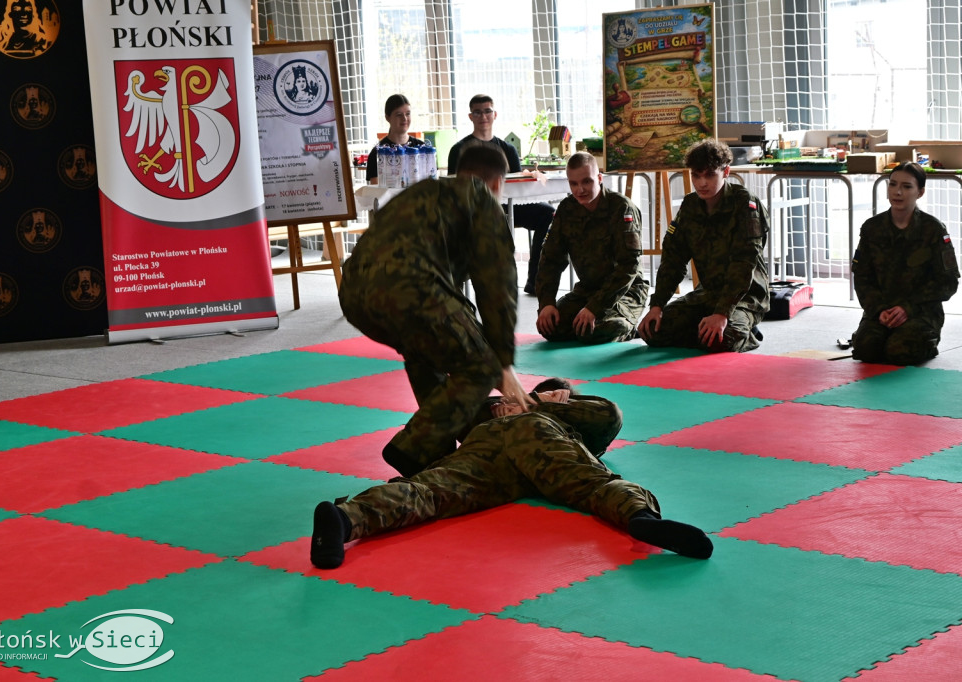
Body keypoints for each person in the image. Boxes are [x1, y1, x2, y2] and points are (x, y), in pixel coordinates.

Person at [309, 380, 714, 569]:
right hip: (488, 453)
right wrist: (492, 399)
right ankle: (344, 521)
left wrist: (535, 403)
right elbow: (414, 445)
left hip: (531, 440)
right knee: (430, 491)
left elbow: (608, 414)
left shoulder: (573, 421)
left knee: (429, 493)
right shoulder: (492, 411)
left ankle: (349, 518)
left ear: (566, 402)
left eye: (559, 396)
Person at [339, 145, 534, 478]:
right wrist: (502, 360)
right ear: (498, 184)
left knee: (426, 350)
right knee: (481, 365)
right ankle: (413, 448)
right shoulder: (481, 199)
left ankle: (437, 451)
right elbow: (497, 285)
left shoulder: (424, 191)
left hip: (355, 293)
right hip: (410, 287)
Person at [637, 138, 770, 352]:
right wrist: (657, 305)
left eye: (710, 175)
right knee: (653, 332)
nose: (702, 183)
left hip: (745, 296)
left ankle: (745, 330)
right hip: (707, 293)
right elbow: (673, 261)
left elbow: (744, 265)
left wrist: (722, 313)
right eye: (696, 176)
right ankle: (705, 327)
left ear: (726, 172)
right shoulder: (690, 206)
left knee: (722, 339)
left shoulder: (744, 205)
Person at [849, 161, 960, 364]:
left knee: (898, 351)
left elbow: (948, 282)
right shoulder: (872, 228)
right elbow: (862, 276)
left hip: (920, 312)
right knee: (866, 349)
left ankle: (928, 340)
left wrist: (907, 308)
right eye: (892, 184)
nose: (897, 192)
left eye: (907, 186)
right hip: (882, 311)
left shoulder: (933, 230)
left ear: (920, 192)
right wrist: (879, 309)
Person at [535, 152, 649, 344]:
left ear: (599, 178)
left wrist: (594, 308)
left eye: (586, 182)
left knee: (596, 330)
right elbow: (551, 260)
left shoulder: (621, 208)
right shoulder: (566, 209)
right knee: (551, 328)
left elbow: (627, 268)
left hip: (625, 292)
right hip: (587, 290)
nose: (580, 190)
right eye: (574, 184)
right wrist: (546, 303)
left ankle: (629, 329)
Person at [446, 94, 555, 296]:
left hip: (508, 205)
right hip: (476, 211)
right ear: (470, 116)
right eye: (477, 112)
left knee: (548, 214)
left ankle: (535, 280)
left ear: (494, 114)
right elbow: (454, 187)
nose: (483, 116)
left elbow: (516, 187)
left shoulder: (508, 148)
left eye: (487, 111)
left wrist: (530, 175)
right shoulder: (459, 149)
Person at [365, 94, 427, 185]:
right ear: (387, 117)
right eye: (399, 115)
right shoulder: (378, 153)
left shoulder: (422, 149)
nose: (404, 118)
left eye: (408, 114)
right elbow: (376, 192)